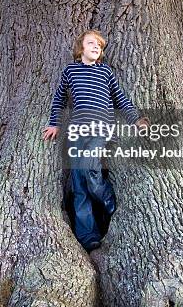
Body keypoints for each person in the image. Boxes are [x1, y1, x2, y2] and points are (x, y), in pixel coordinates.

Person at [43, 29, 149, 252]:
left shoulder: (105, 72)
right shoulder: (70, 71)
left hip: (101, 131)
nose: (96, 47)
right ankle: (88, 235)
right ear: (81, 47)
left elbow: (120, 97)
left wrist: (136, 119)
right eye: (91, 43)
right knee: (79, 185)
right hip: (77, 132)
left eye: (99, 46)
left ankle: (109, 202)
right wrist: (54, 124)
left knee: (91, 171)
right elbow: (59, 99)